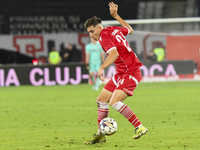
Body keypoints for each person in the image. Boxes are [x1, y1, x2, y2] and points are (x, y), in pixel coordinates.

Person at [84, 2, 148, 145]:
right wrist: (116, 16)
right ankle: (101, 134)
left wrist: (101, 68)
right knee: (101, 99)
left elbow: (114, 54)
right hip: (121, 73)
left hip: (130, 71)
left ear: (98, 28)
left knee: (114, 102)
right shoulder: (113, 30)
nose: (90, 35)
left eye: (91, 31)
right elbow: (129, 30)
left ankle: (139, 127)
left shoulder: (103, 37)